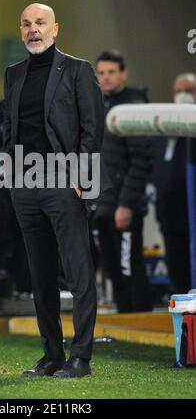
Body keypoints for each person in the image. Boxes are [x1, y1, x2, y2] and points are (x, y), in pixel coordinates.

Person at [2, 3, 104, 378]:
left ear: (55, 29)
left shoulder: (78, 70)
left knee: (78, 273)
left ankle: (82, 358)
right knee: (40, 276)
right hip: (25, 186)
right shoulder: (13, 74)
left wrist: (81, 181)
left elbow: (93, 130)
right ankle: (52, 356)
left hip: (65, 184)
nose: (33, 29)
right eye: (26, 24)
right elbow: (8, 128)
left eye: (40, 23)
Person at [94, 51, 153, 313]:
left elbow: (141, 161)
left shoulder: (133, 108)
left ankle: (140, 321)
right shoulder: (99, 105)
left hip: (123, 207)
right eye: (102, 73)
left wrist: (126, 204)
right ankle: (126, 323)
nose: (106, 78)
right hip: (103, 205)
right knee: (114, 271)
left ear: (124, 74)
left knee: (130, 270)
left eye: (111, 72)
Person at [152, 73, 196, 293]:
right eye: (179, 91)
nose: (183, 96)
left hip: (192, 212)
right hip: (169, 213)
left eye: (188, 91)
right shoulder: (165, 130)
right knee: (177, 270)